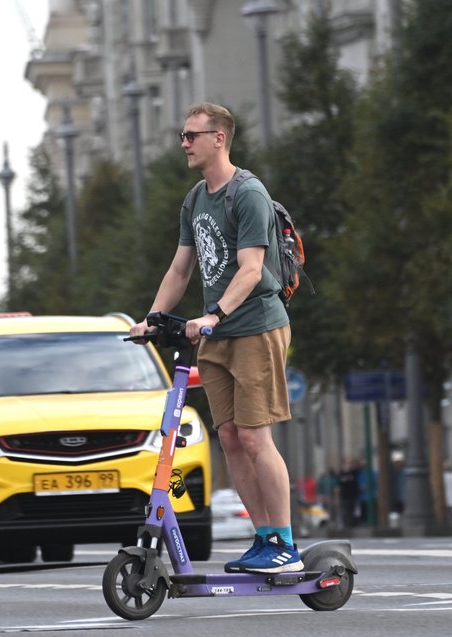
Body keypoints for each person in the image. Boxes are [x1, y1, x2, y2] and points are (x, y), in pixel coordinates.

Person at [129, 102, 301, 574]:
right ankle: (263, 537)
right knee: (228, 436)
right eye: (183, 136)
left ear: (219, 138)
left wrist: (214, 314)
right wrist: (153, 319)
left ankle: (284, 543)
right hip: (217, 334)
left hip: (256, 327)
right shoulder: (195, 198)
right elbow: (180, 267)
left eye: (192, 135)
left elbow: (251, 269)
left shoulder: (248, 194)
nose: (184, 142)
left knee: (253, 435)